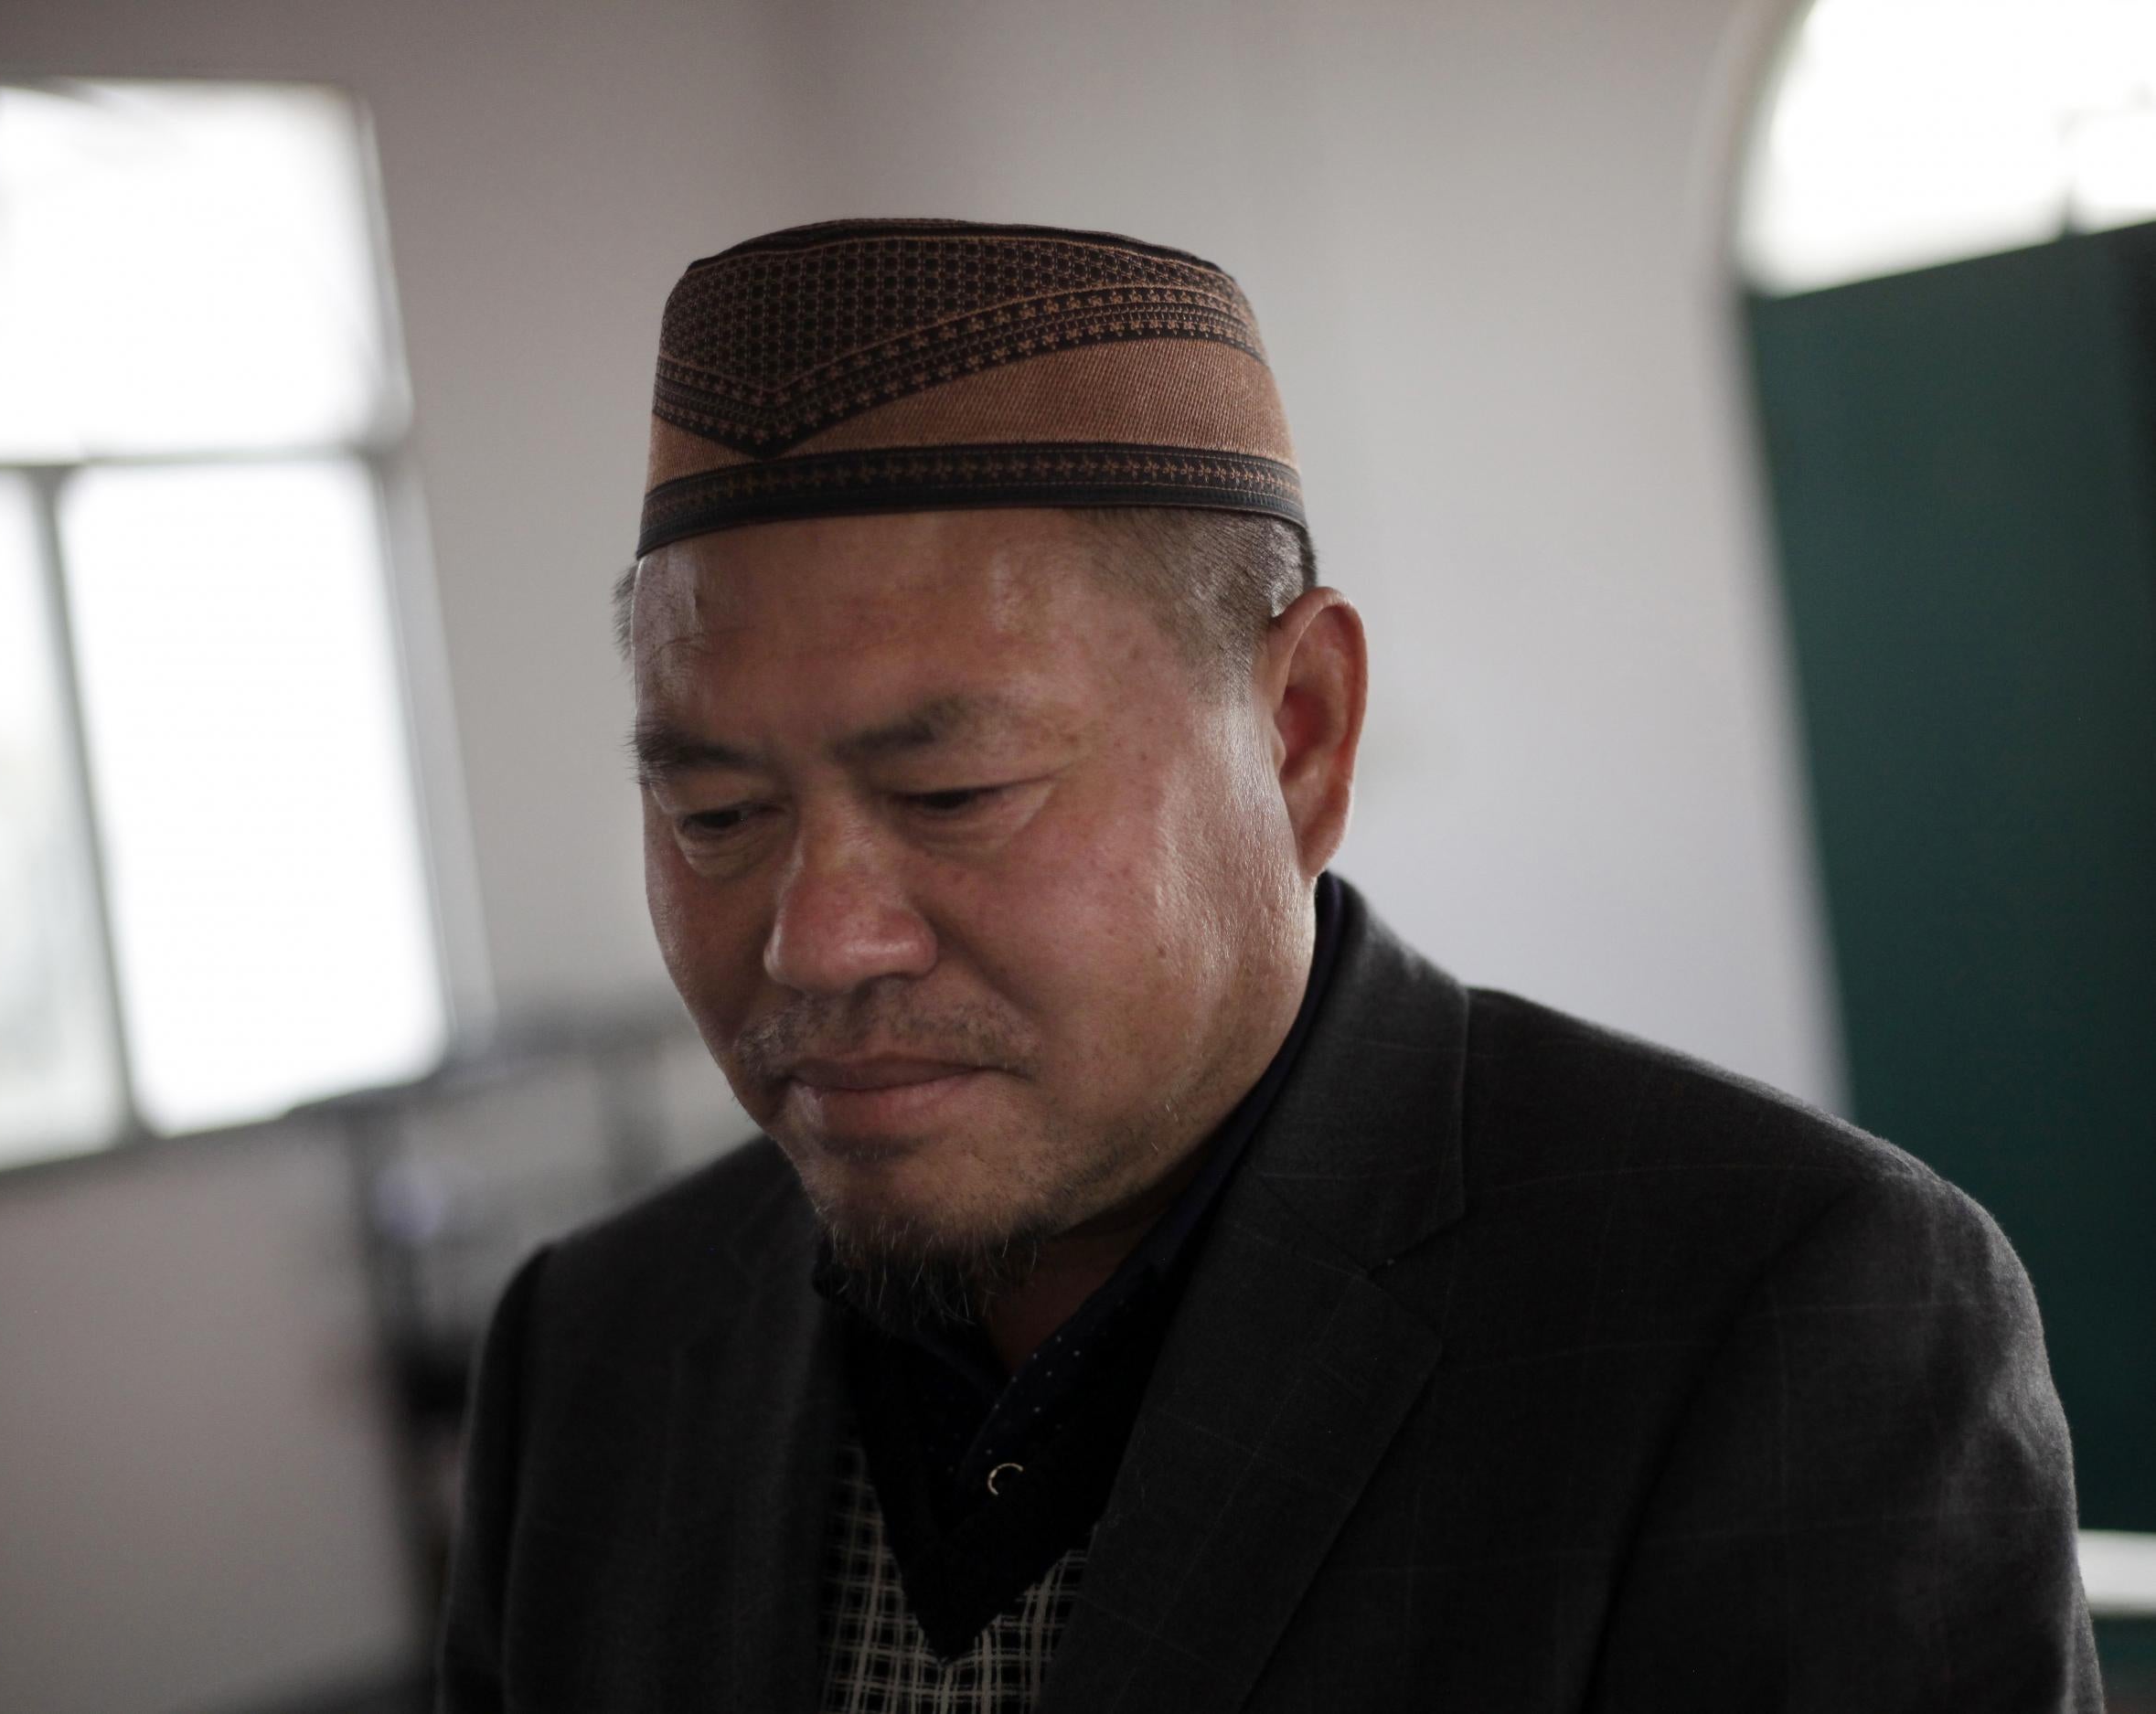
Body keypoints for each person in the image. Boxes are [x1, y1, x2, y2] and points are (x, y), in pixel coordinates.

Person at [438, 218, 2098, 1711]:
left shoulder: (1774, 1318)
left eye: (953, 794)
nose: (818, 941)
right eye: (717, 814)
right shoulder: (596, 1353)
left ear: (1299, 734)